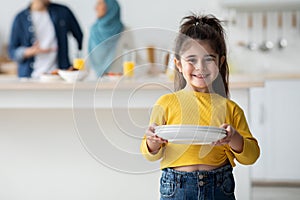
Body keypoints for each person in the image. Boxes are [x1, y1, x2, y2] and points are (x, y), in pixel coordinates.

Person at [140, 14, 260, 200]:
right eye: (192, 60)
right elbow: (150, 154)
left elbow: (251, 156)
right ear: (179, 65)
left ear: (220, 62)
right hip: (176, 188)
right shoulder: (165, 104)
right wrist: (152, 143)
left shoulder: (230, 108)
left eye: (209, 59)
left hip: (219, 186)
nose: (200, 67)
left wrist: (233, 137)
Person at [8, 0, 83, 78]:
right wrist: (29, 51)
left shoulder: (63, 12)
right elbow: (12, 52)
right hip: (30, 77)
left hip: (59, 75)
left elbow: (79, 37)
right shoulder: (20, 19)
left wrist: (77, 62)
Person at [88, 0, 124, 77]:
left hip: (117, 83)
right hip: (93, 82)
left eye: (99, 4)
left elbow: (136, 60)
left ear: (111, 7)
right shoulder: (92, 30)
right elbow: (85, 60)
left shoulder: (125, 31)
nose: (95, 8)